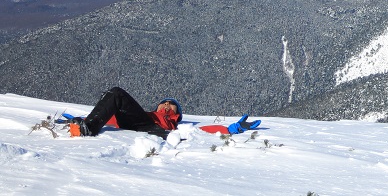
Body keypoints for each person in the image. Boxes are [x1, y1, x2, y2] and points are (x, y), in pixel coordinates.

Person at [68, 86, 260, 138]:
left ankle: (88, 129)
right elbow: (113, 119)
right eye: (164, 103)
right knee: (111, 96)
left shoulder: (174, 124)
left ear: (178, 114)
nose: (167, 105)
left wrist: (233, 128)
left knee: (116, 94)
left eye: (172, 104)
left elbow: (202, 130)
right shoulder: (145, 114)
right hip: (140, 124)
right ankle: (87, 125)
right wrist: (82, 119)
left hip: (155, 129)